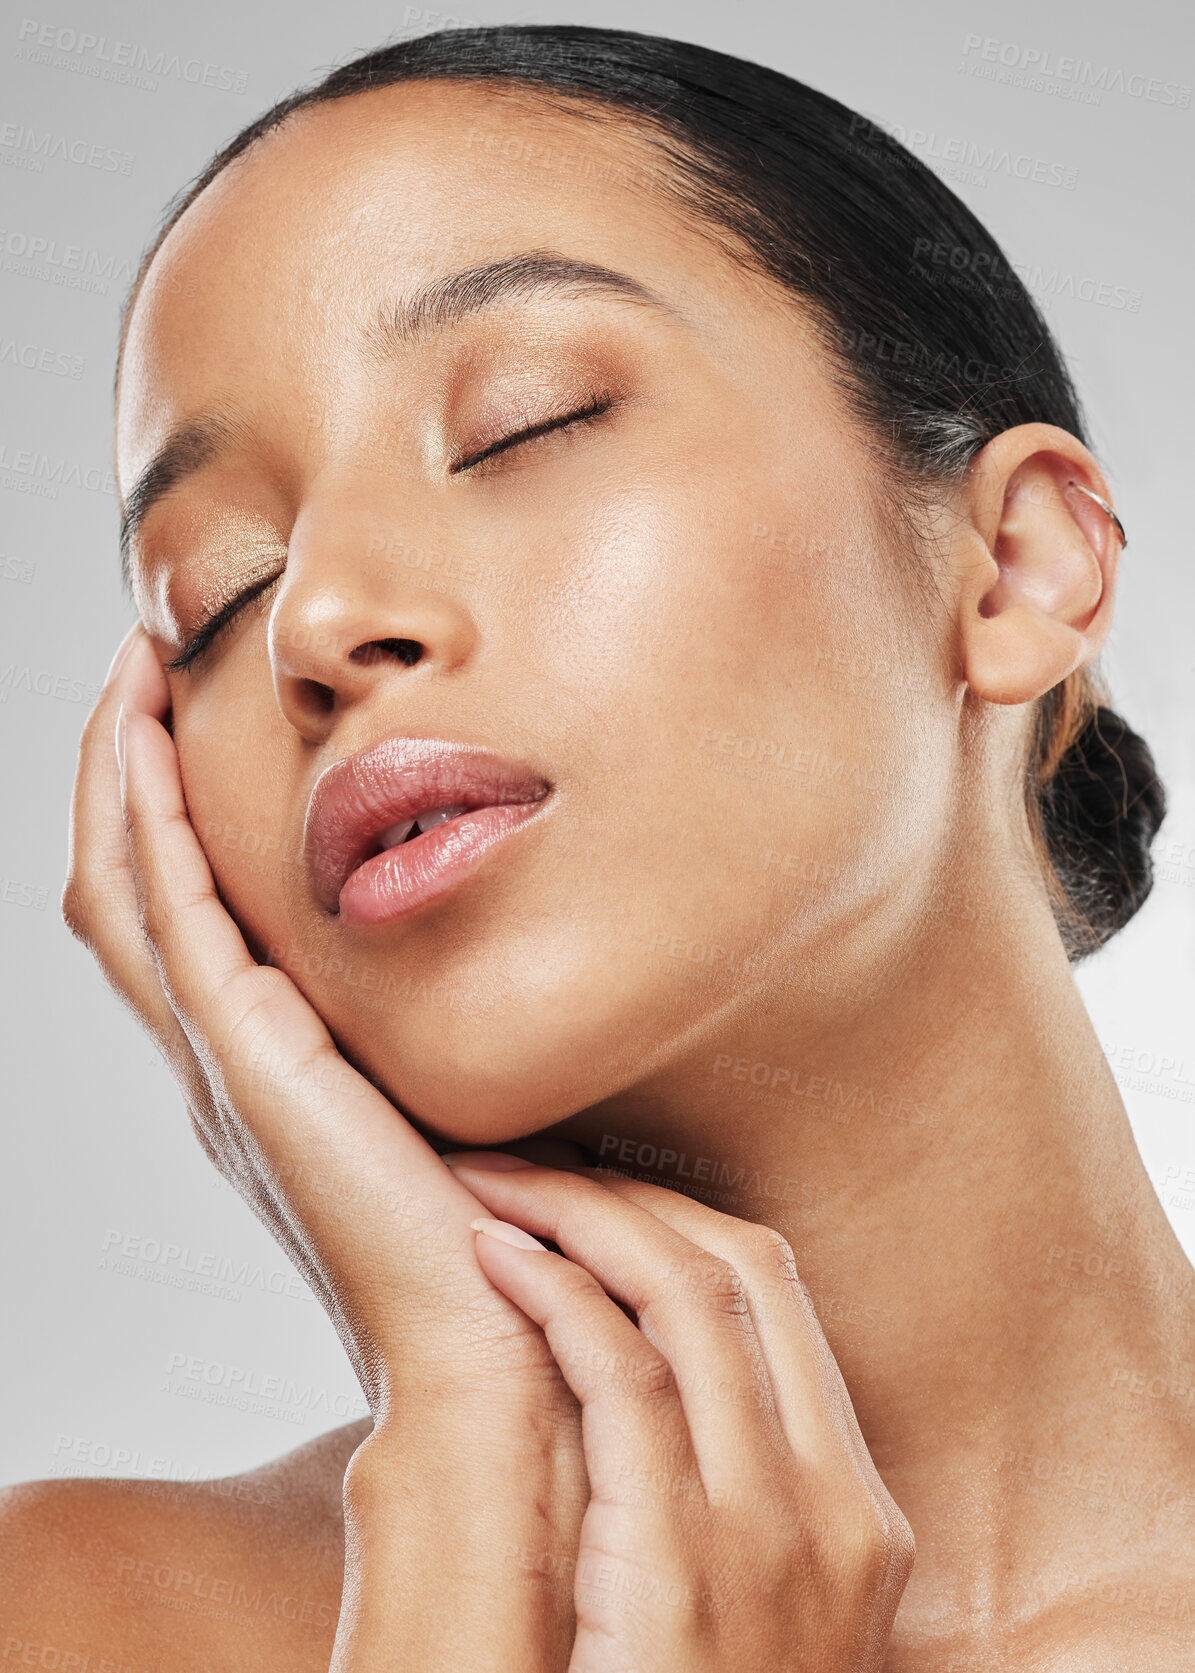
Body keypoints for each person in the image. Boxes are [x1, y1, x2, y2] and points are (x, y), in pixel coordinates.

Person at [1, 24, 1186, 1671]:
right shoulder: (71, 1616)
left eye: (522, 425)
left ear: (1013, 569)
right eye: (213, 591)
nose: (320, 623)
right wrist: (454, 1506)